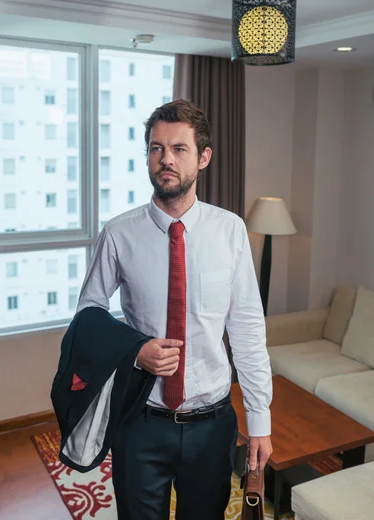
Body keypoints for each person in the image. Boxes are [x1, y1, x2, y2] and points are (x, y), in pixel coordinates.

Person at [76, 99, 273, 520]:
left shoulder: (230, 230)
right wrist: (134, 349)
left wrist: (259, 420)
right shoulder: (118, 234)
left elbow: (247, 330)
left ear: (203, 157)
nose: (164, 159)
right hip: (139, 421)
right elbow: (88, 315)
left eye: (178, 149)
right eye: (155, 148)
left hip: (213, 423)